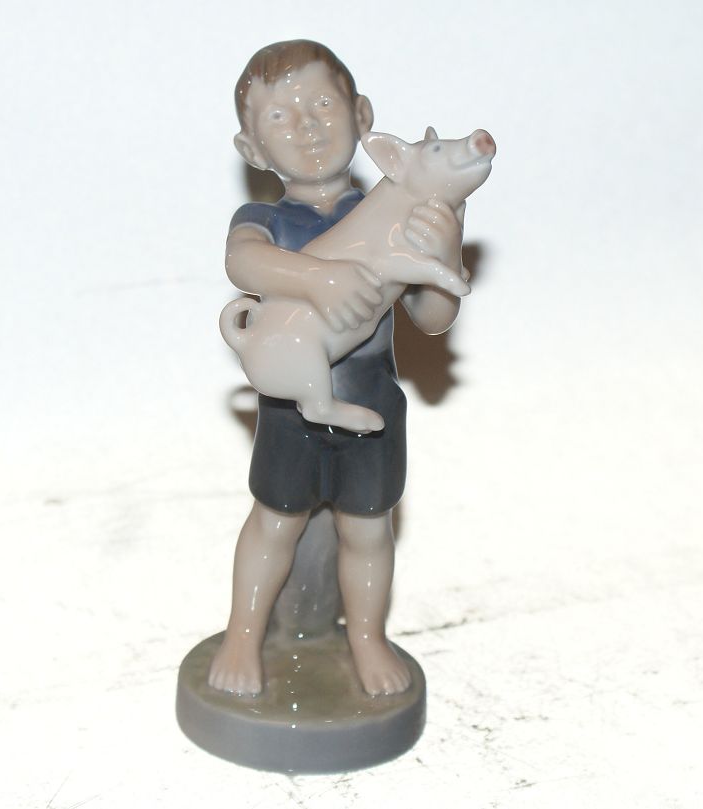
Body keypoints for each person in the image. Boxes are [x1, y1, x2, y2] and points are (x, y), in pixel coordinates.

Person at [207, 40, 465, 696]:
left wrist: (446, 252)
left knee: (368, 529)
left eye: (323, 104)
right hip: (290, 407)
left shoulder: (390, 211)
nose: (307, 126)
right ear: (252, 150)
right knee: (274, 521)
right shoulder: (265, 219)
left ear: (362, 115)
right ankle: (243, 636)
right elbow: (243, 262)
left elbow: (433, 318)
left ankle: (367, 637)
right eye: (280, 117)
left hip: (370, 398)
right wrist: (319, 279)